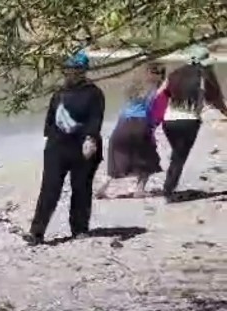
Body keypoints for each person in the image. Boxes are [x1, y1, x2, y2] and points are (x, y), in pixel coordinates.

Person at [26, 51, 105, 245]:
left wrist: (91, 139)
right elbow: (50, 121)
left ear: (83, 71)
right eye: (67, 69)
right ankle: (37, 232)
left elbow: (96, 118)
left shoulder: (94, 93)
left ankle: (79, 229)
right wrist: (49, 141)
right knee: (49, 189)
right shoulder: (59, 93)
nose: (70, 73)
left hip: (84, 147)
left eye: (75, 69)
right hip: (57, 148)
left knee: (81, 189)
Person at [160, 45, 227, 202]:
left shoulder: (175, 74)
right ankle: (168, 191)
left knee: (177, 155)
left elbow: (162, 93)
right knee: (179, 157)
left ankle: (169, 188)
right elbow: (215, 99)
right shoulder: (204, 76)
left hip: (168, 120)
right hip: (189, 121)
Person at [95, 63, 166, 200]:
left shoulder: (133, 89)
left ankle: (103, 187)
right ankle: (139, 190)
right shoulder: (154, 90)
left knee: (117, 156)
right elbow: (155, 110)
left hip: (122, 123)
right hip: (140, 124)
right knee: (148, 157)